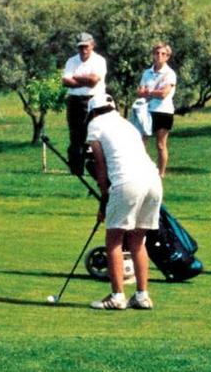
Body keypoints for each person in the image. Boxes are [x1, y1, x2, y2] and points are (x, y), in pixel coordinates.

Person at [86, 94, 163, 310]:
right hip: (153, 182)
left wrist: (104, 197)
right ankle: (142, 296)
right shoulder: (127, 124)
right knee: (138, 241)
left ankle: (117, 297)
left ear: (93, 111)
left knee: (114, 241)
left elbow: (100, 166)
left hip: (127, 183)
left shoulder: (95, 125)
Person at [61, 32, 107, 175]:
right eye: (80, 47)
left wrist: (76, 78)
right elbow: (65, 81)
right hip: (74, 101)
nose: (83, 50)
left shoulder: (99, 61)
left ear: (92, 45)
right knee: (75, 135)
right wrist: (85, 80)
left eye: (86, 47)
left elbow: (94, 81)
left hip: (93, 101)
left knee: (93, 135)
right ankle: (76, 170)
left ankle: (96, 167)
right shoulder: (71, 61)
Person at [136, 42, 177, 178]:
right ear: (153, 55)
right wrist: (153, 92)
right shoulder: (147, 72)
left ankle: (161, 173)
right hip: (146, 110)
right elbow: (140, 91)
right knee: (142, 142)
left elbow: (164, 94)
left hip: (163, 111)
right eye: (157, 53)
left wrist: (149, 92)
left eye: (163, 54)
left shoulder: (170, 73)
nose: (159, 56)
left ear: (167, 56)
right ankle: (141, 170)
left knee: (160, 145)